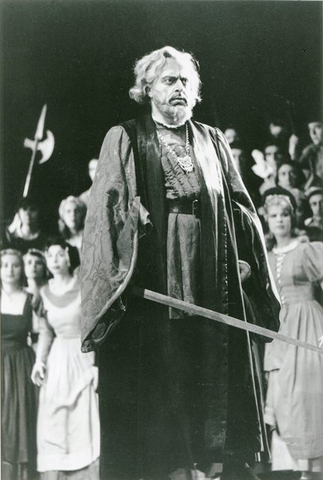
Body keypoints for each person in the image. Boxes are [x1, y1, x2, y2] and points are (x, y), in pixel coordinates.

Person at [80, 46, 280, 480]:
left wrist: (243, 258)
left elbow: (241, 207)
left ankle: (207, 467)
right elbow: (105, 212)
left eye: (186, 81)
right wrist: (131, 225)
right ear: (147, 88)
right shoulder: (126, 137)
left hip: (211, 270)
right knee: (158, 374)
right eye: (169, 80)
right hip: (153, 272)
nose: (179, 88)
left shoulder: (212, 140)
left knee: (209, 364)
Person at [263, 190, 323, 480]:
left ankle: (313, 471)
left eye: (284, 214)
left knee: (307, 397)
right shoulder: (266, 255)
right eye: (274, 216)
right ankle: (301, 470)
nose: (280, 221)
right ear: (267, 219)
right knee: (283, 397)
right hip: (280, 333)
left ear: (292, 217)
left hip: (309, 326)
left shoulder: (306, 249)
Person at [31, 237, 100, 479]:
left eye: (60, 254)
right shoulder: (43, 292)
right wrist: (40, 360)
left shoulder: (84, 287)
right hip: (57, 360)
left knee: (83, 414)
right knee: (55, 417)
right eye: (50, 256)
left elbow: (95, 328)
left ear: (69, 257)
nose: (55, 260)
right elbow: (45, 331)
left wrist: (96, 365)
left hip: (83, 355)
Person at [1, 248, 38, 480]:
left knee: (18, 421)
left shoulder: (31, 299)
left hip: (20, 366)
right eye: (5, 265)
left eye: (15, 265)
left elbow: (37, 336)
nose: (10, 270)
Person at [23, 248, 49, 349]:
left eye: (38, 263)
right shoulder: (21, 293)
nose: (33, 266)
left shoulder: (50, 289)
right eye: (29, 263)